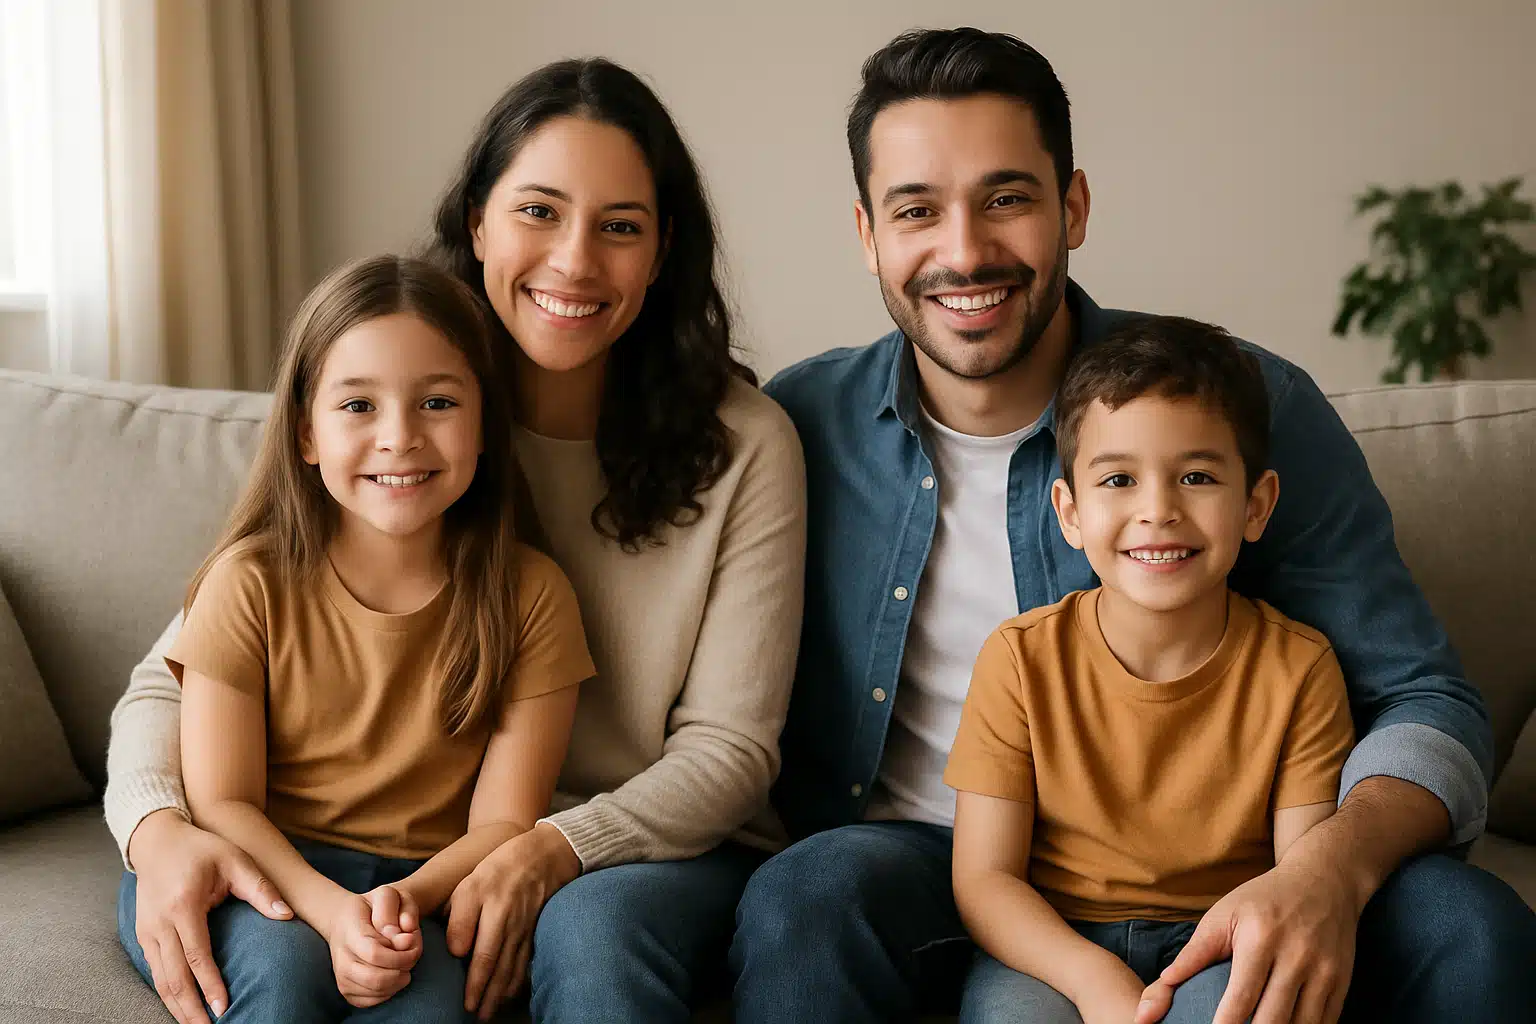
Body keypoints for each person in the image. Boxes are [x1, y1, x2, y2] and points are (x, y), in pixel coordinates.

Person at [735, 25, 1535, 1024]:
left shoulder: (1247, 401)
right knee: (801, 896)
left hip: (1229, 867)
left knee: (1473, 924)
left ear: (1071, 206)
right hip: (924, 865)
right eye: (917, 210)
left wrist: (1327, 868)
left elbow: (1425, 695)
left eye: (1007, 198)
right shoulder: (798, 425)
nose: (965, 249)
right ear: (867, 234)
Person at [105, 59, 807, 1024]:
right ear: (477, 220)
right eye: (538, 212)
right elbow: (174, 675)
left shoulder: (745, 444)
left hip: (636, 841)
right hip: (424, 856)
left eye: (620, 226)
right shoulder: (395, 400)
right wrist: (156, 832)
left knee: (590, 941)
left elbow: (730, 748)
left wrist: (552, 847)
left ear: (661, 251)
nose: (573, 261)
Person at [115, 253, 595, 1023]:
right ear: (306, 433)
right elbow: (224, 800)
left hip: (419, 888)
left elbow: (505, 823)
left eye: (438, 402)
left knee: (435, 1010)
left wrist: (399, 903)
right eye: (359, 407)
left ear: (483, 425)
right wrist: (332, 912)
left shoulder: (532, 595)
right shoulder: (248, 582)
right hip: (254, 868)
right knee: (280, 984)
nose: (399, 438)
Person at [947, 315, 1356, 1024]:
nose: (1158, 511)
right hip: (1057, 943)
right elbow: (985, 879)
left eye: (1196, 476)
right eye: (1119, 480)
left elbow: (1300, 882)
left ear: (1255, 506)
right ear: (1069, 513)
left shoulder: (1301, 670)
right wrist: (1092, 977)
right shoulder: (1019, 659)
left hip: (1222, 941)